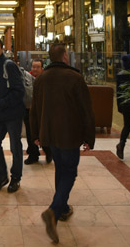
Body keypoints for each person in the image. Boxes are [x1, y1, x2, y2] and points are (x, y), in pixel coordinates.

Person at [31, 44, 95, 244]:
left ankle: (64, 208)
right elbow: (86, 110)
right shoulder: (75, 78)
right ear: (65, 56)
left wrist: (36, 134)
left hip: (49, 135)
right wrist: (89, 137)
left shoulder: (41, 79)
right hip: (69, 135)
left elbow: (34, 110)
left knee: (61, 168)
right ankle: (53, 210)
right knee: (70, 172)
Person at [0, 38, 25, 193]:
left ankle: (15, 178)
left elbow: (19, 90)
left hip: (13, 114)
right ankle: (2, 176)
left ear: (2, 49)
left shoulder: (8, 65)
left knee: (15, 146)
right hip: (0, 116)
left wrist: (3, 102)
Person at [24, 59, 51, 165]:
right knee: (30, 133)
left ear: (42, 68)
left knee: (44, 132)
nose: (35, 69)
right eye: (33, 67)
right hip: (28, 110)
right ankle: (33, 154)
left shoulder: (46, 78)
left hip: (43, 111)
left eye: (37, 67)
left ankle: (48, 152)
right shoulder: (26, 78)